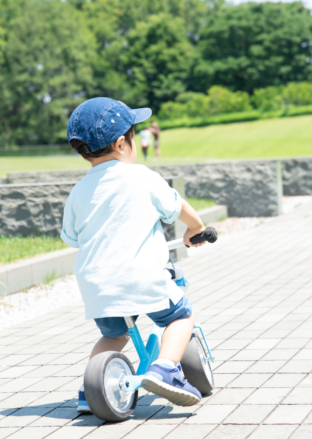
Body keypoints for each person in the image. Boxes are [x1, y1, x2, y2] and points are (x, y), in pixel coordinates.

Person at [62, 97, 207, 412]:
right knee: (181, 315)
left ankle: (90, 391)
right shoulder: (142, 176)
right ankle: (167, 368)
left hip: (97, 285)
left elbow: (72, 238)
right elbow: (176, 206)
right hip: (142, 277)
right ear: (121, 143)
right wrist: (195, 228)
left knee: (114, 337)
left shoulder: (78, 191)